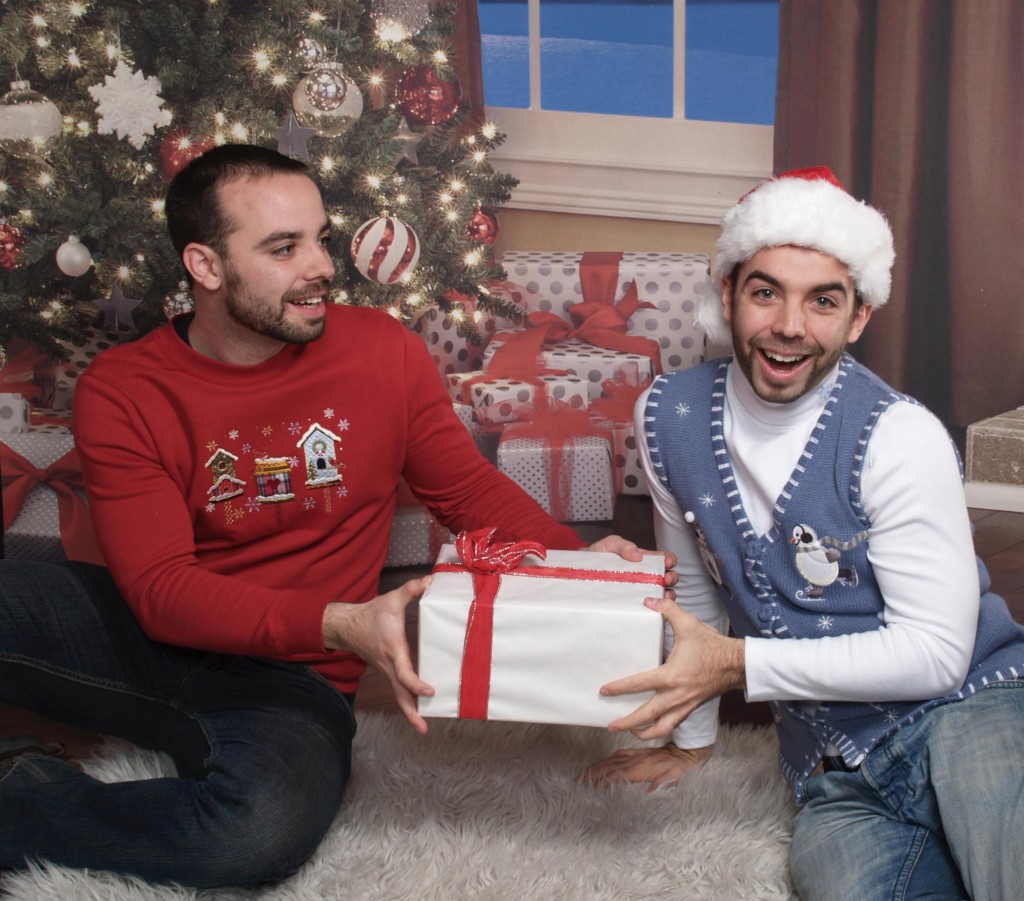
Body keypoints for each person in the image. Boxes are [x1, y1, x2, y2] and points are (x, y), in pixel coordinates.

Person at [0, 143, 664, 889]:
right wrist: (337, 618)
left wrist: (579, 559)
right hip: (147, 632)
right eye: (284, 248)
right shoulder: (125, 387)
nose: (321, 265)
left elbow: (469, 495)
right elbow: (160, 591)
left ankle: (24, 795)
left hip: (295, 680)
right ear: (206, 266)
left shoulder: (383, 350)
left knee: (251, 835)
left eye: (319, 237)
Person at [583, 167, 1024, 900]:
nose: (791, 325)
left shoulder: (899, 434)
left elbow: (939, 654)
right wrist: (690, 743)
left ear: (857, 318)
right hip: (834, 768)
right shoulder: (670, 415)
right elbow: (692, 591)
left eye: (823, 301)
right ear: (727, 294)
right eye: (766, 292)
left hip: (970, 710)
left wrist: (738, 664)